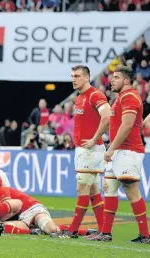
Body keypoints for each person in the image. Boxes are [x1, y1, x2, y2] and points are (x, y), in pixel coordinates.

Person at [91, 66, 149, 243]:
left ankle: (145, 235)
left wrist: (110, 148)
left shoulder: (130, 97)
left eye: (116, 77)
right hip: (118, 151)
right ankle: (106, 233)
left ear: (126, 80)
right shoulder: (120, 98)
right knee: (109, 189)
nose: (112, 80)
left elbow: (127, 126)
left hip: (128, 151)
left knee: (132, 192)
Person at [51, 65, 110, 238]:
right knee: (92, 191)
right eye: (72, 76)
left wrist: (93, 139)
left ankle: (72, 230)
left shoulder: (95, 95)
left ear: (86, 78)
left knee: (81, 188)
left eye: (77, 76)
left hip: (90, 149)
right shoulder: (80, 97)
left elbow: (107, 116)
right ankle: (104, 231)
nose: (73, 79)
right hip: (83, 149)